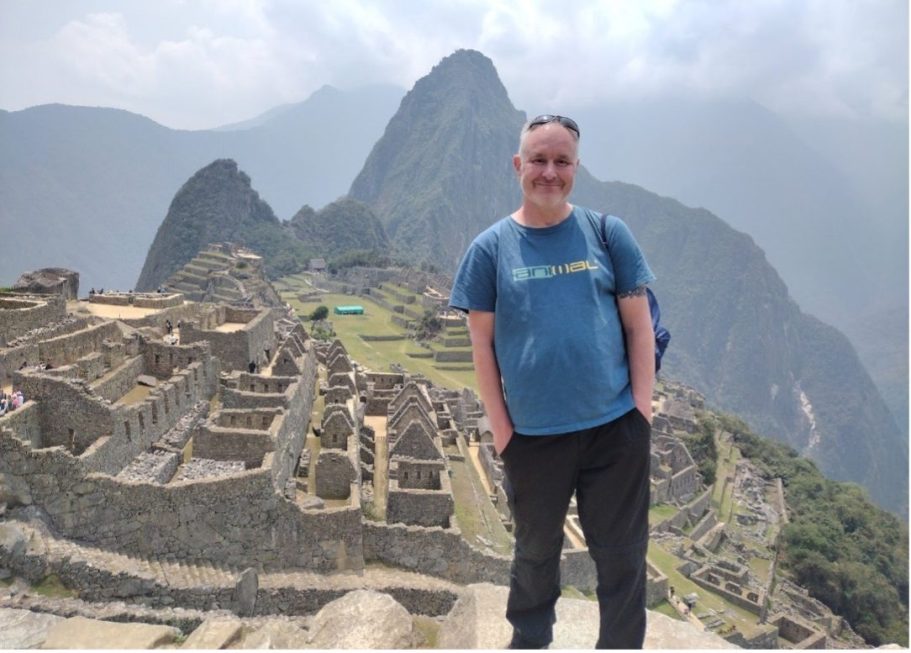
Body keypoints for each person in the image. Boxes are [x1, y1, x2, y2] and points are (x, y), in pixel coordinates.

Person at [449, 114, 656, 649]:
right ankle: (531, 639)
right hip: (534, 438)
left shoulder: (608, 235)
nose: (549, 171)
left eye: (561, 161)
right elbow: (482, 348)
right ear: (518, 165)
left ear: (576, 168)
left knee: (622, 554)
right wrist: (503, 433)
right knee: (536, 553)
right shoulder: (490, 250)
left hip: (615, 429)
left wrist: (640, 411)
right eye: (538, 160)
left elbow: (639, 327)